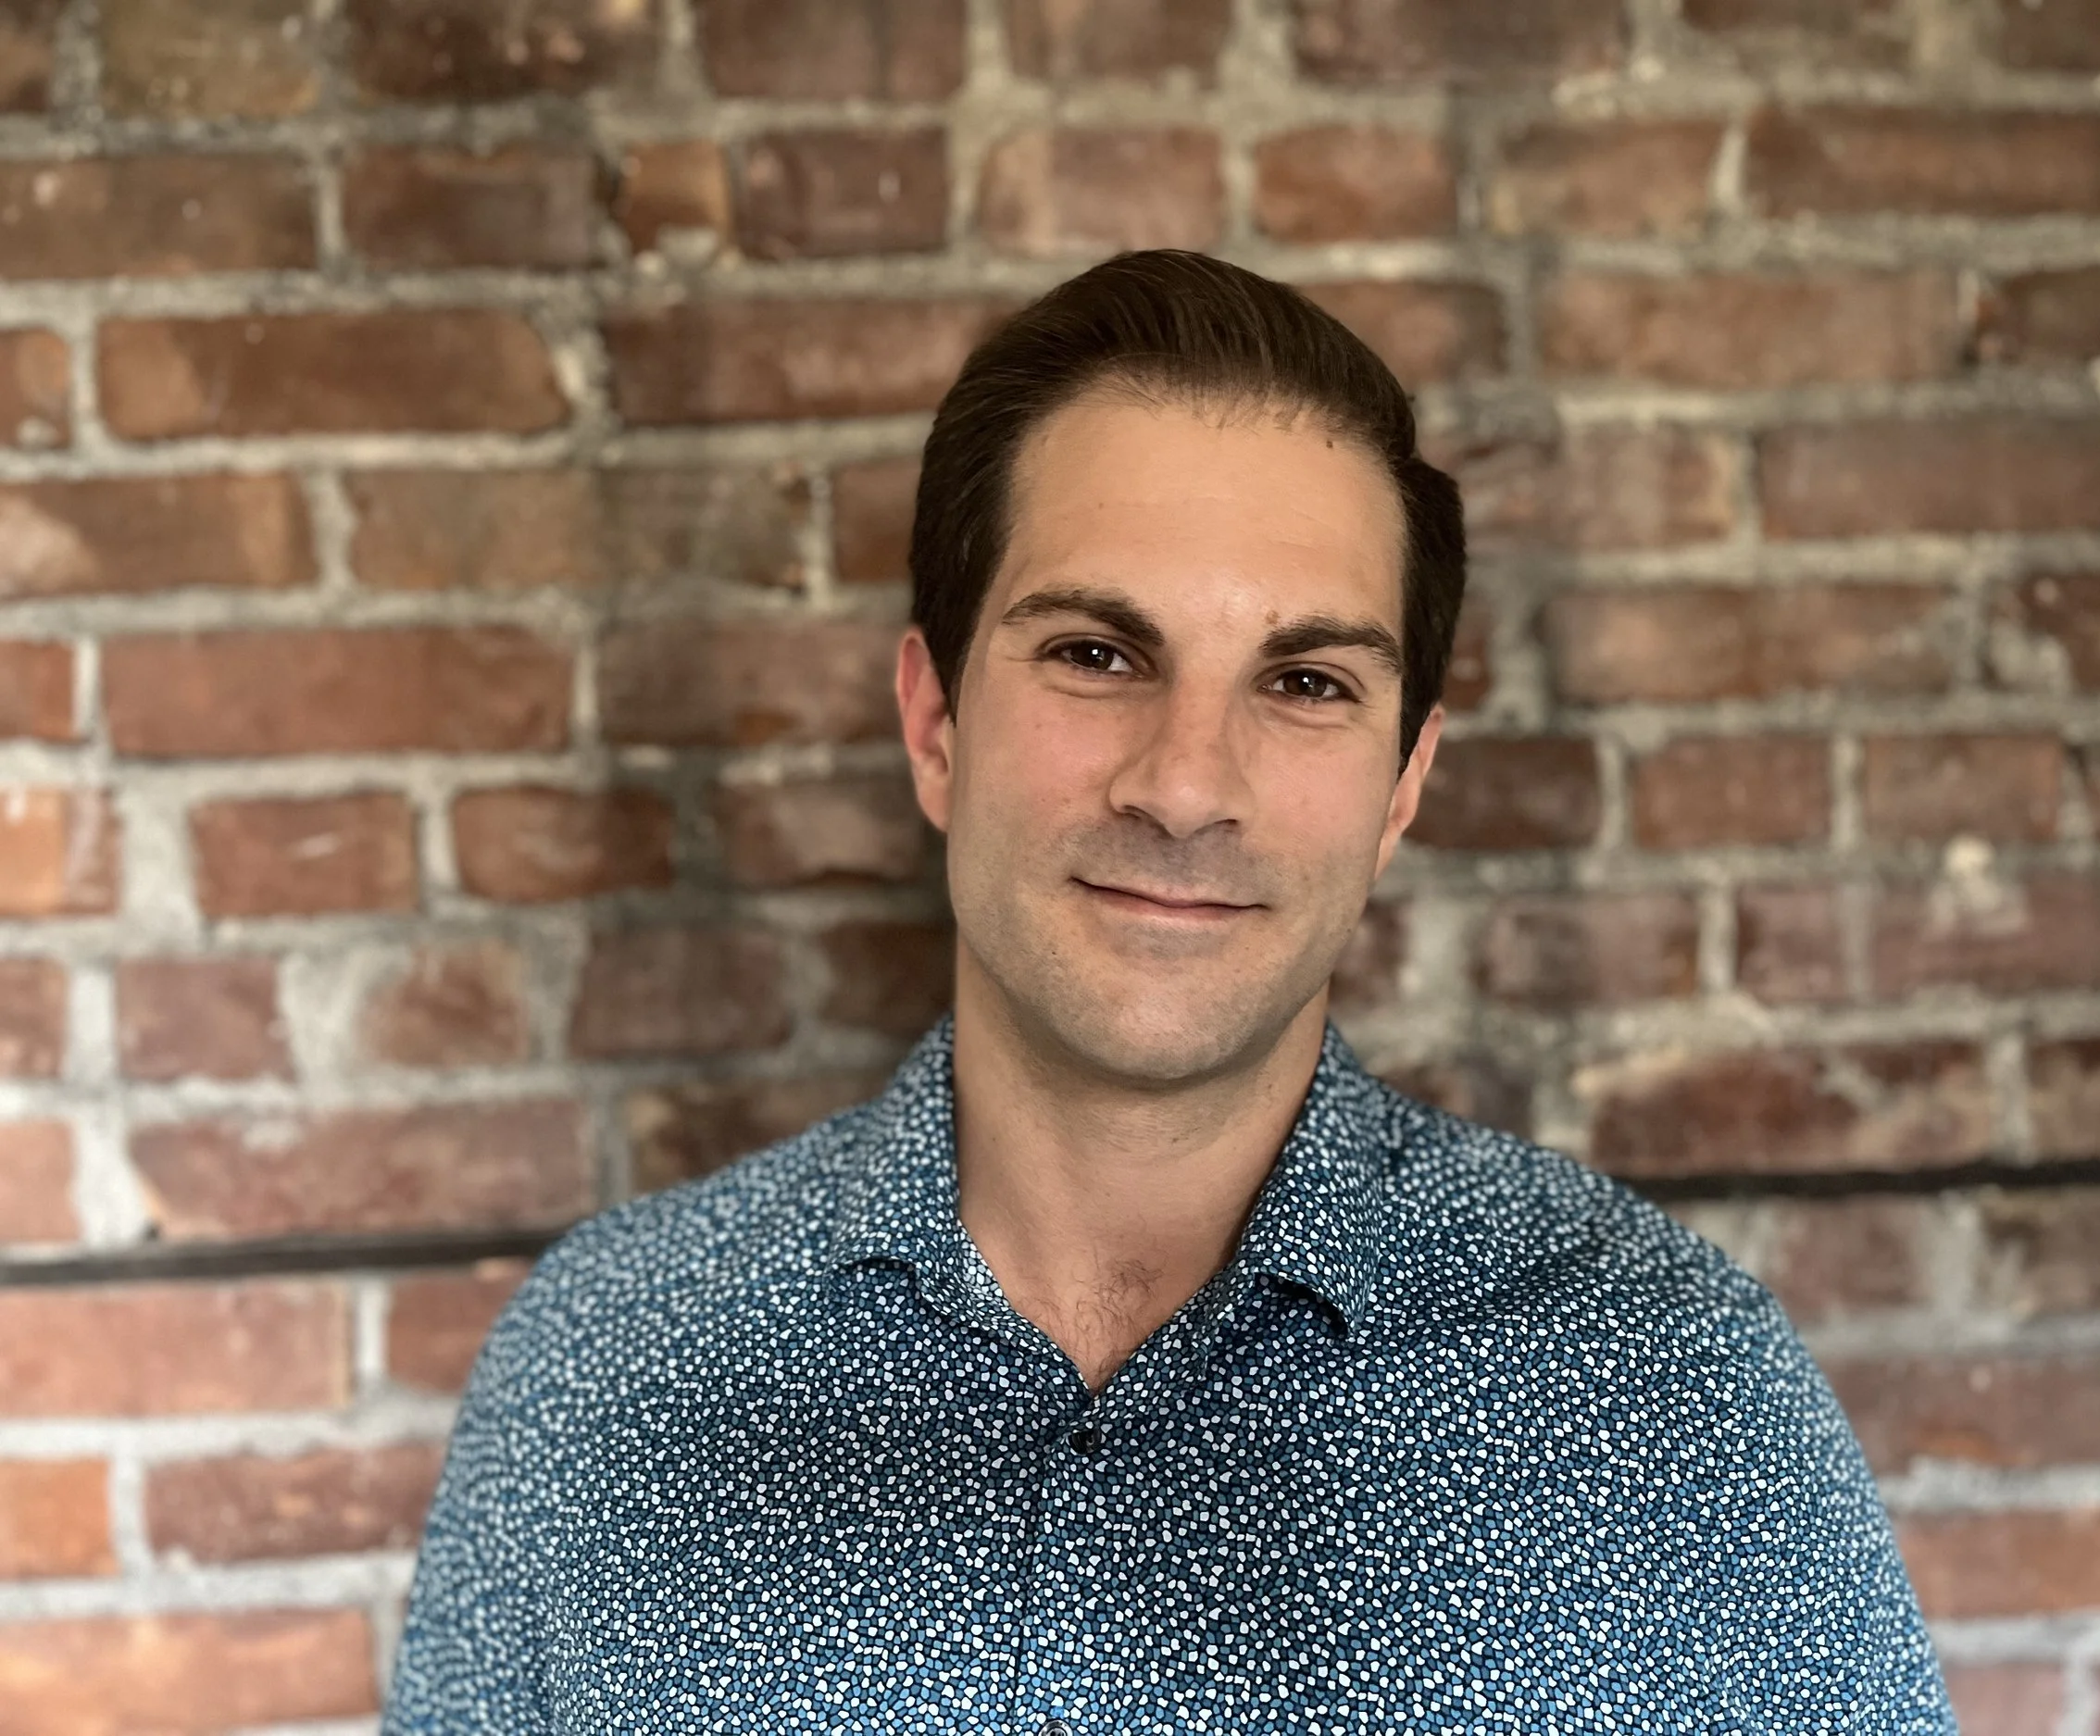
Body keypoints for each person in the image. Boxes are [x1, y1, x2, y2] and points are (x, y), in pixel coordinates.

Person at [385, 249, 1956, 1733]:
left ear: (1402, 785)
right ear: (936, 723)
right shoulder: (599, 1369)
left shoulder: (1677, 1402)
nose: (1188, 785)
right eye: (1096, 653)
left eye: (1305, 683)